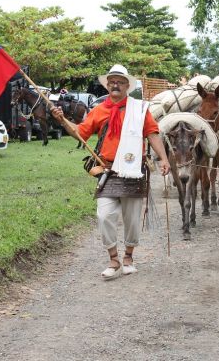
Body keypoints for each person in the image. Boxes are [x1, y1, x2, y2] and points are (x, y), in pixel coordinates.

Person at [52, 64, 170, 280]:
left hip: (134, 171)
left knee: (132, 218)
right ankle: (113, 258)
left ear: (127, 86)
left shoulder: (140, 109)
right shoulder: (98, 110)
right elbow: (80, 134)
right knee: (104, 215)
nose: (115, 84)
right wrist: (62, 120)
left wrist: (163, 158)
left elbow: (152, 134)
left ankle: (128, 257)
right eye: (112, 81)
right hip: (107, 170)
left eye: (120, 81)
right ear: (107, 85)